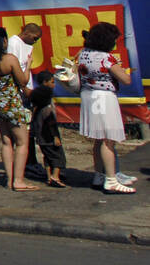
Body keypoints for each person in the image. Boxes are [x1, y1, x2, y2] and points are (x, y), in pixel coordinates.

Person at [77, 22, 136, 194]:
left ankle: (99, 175)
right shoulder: (106, 58)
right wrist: (126, 71)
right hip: (104, 98)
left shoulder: (83, 54)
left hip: (88, 96)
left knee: (98, 138)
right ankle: (111, 179)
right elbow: (125, 80)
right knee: (108, 139)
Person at [0, 27, 33, 192]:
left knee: (6, 142)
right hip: (12, 103)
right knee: (22, 142)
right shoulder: (10, 59)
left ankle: (9, 178)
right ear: (4, 41)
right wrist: (28, 66)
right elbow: (23, 81)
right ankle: (18, 180)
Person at [6, 22, 46, 180]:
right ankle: (25, 166)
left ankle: (30, 162)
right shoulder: (14, 43)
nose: (35, 41)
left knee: (29, 132)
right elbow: (13, 69)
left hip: (27, 92)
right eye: (34, 38)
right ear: (27, 33)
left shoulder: (27, 45)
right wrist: (24, 89)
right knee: (22, 133)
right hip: (20, 94)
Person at [29, 73, 67, 188]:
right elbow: (52, 125)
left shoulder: (36, 110)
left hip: (41, 139)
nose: (54, 84)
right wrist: (55, 137)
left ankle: (49, 176)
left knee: (47, 157)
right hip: (49, 138)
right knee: (58, 157)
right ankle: (55, 176)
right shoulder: (48, 110)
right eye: (52, 82)